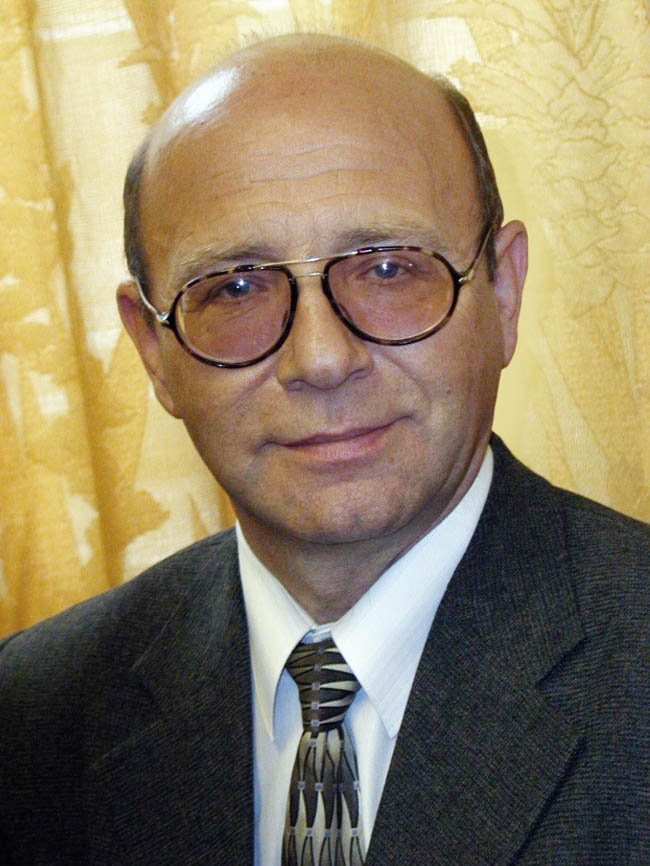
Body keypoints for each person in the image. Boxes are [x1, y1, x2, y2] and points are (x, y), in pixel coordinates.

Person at [0, 33, 647, 866]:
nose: (321, 359)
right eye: (235, 288)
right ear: (154, 352)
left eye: (388, 269)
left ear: (503, 291)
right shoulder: (35, 714)